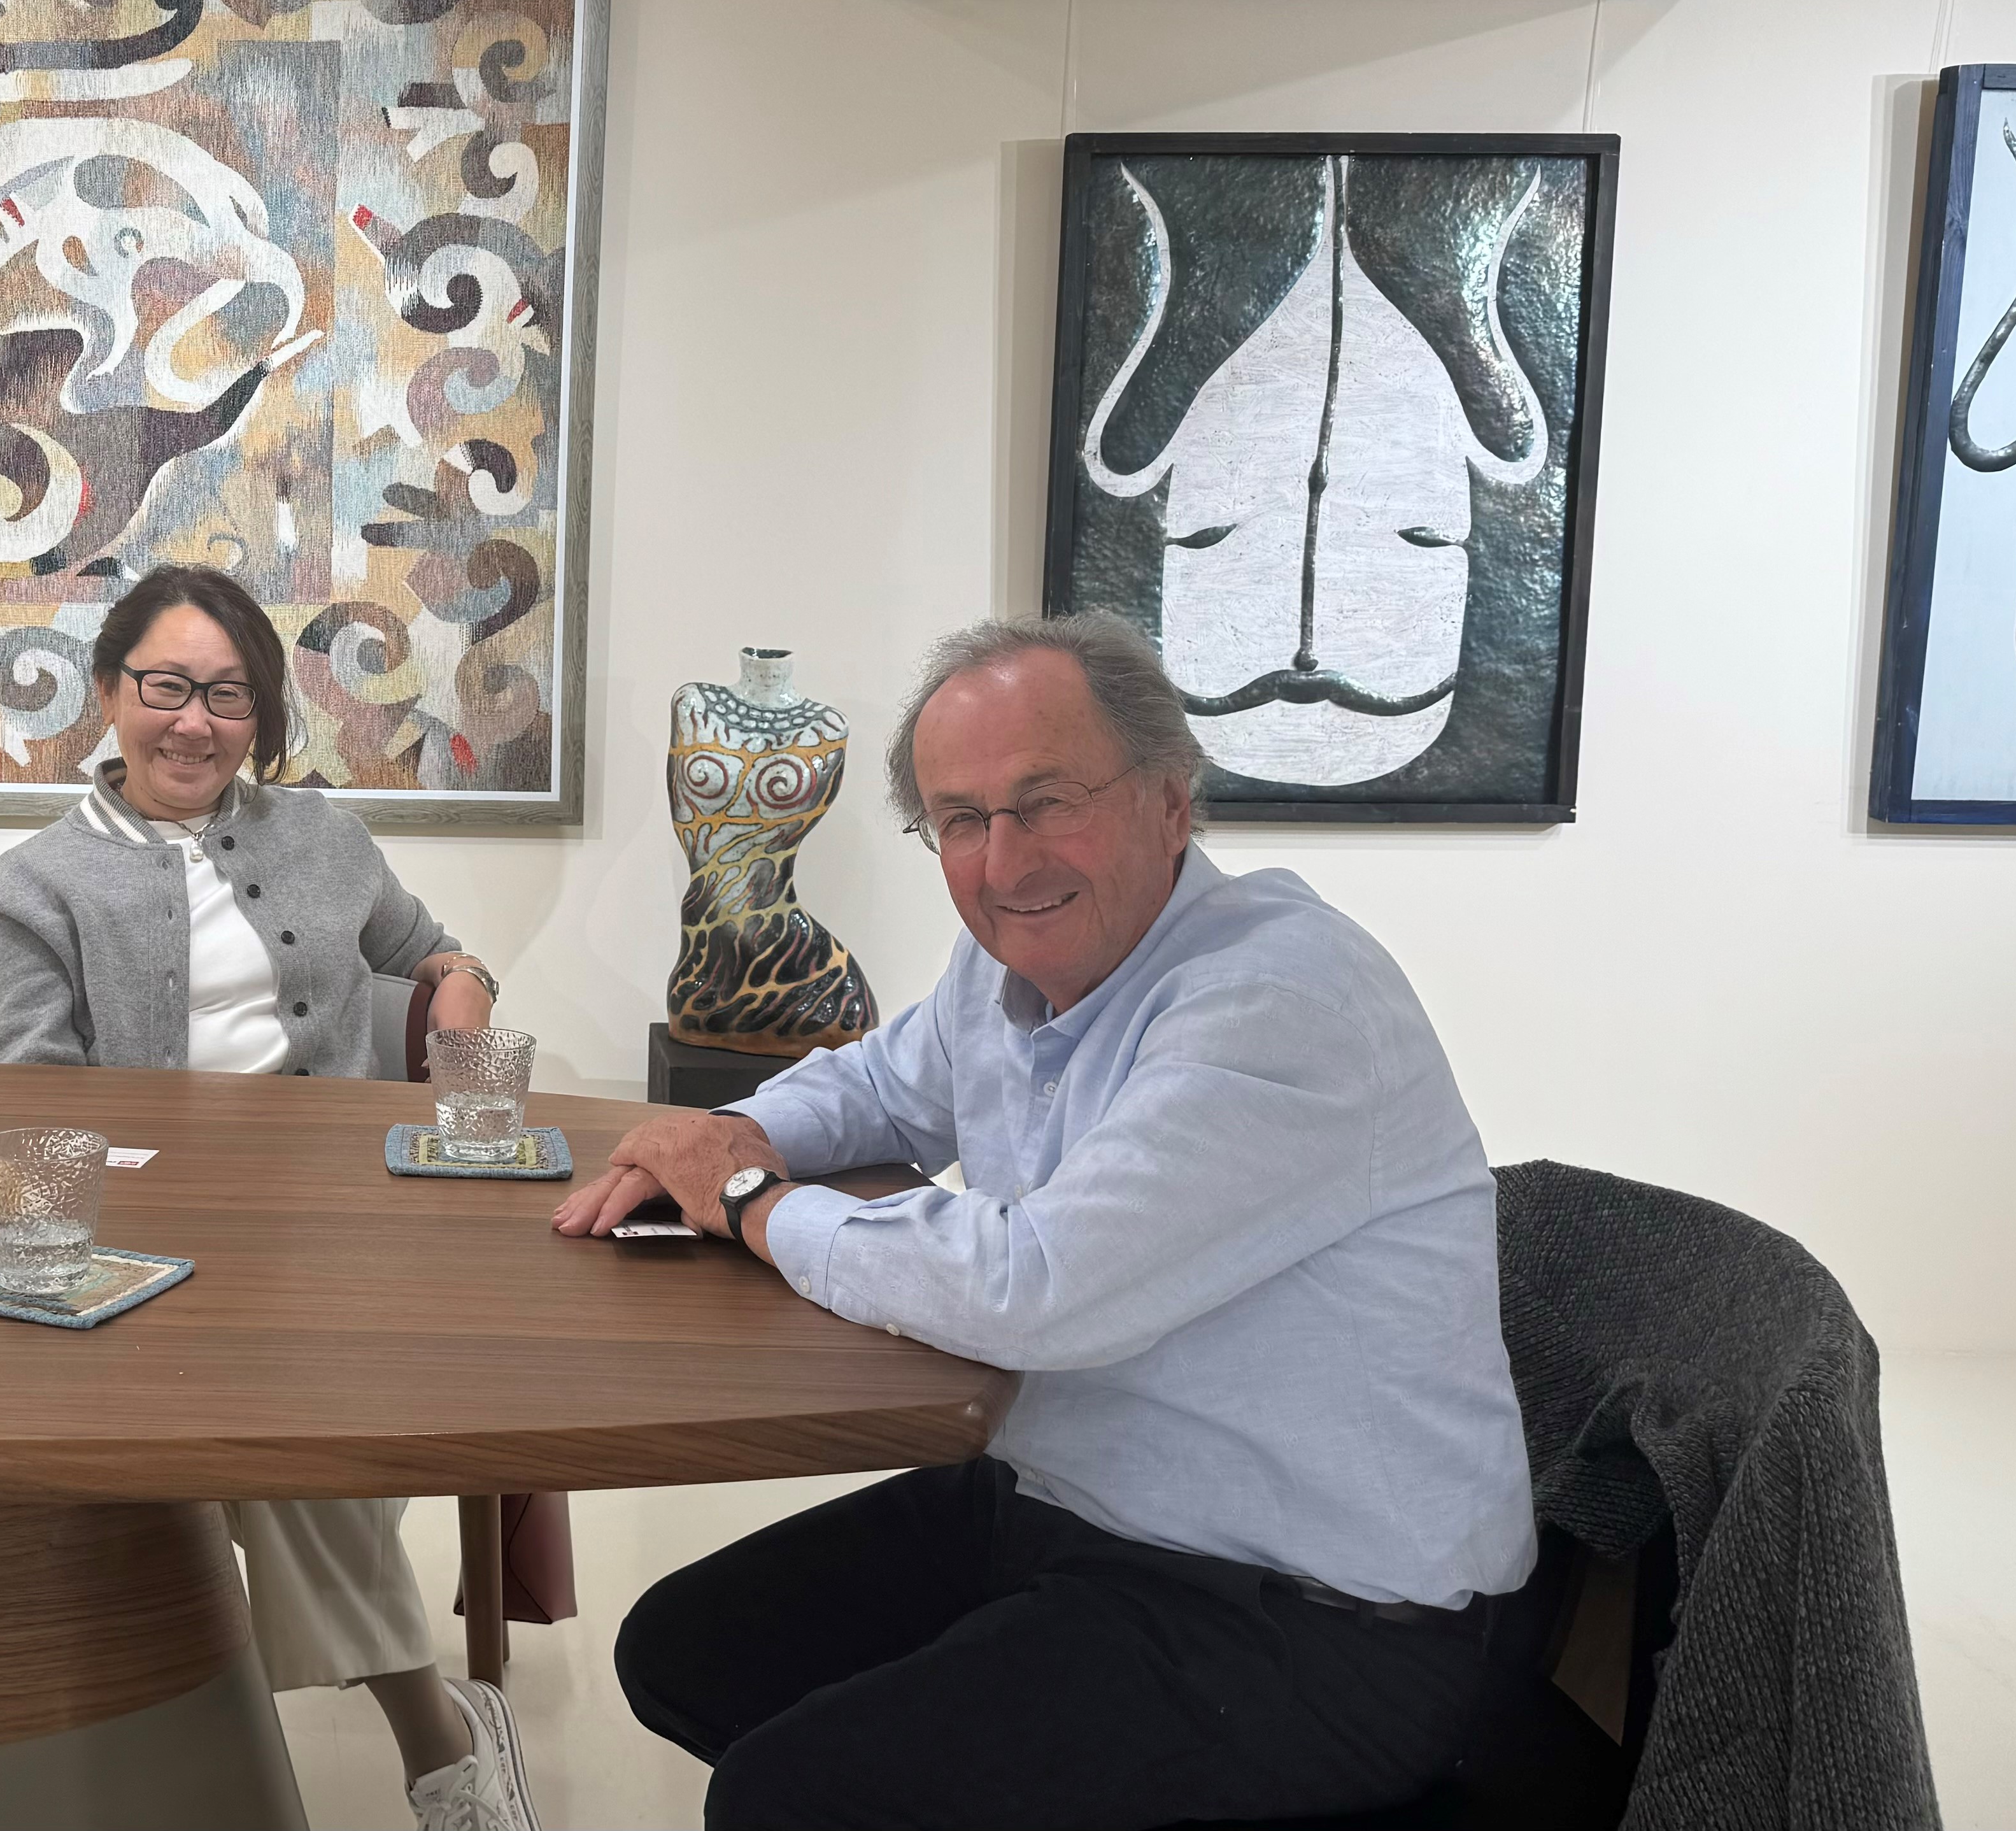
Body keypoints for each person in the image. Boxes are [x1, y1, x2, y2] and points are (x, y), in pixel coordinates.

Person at [555, 611, 1536, 1831]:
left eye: (1045, 800)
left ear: (1172, 801)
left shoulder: (1280, 996)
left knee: (787, 1800)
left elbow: (1036, 1287)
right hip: (1079, 1506)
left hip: (1314, 1614)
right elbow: (875, 1089)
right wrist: (724, 1137)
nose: (1004, 859)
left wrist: (749, 1199)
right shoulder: (1014, 961)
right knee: (685, 1648)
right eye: (960, 820)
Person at [0, 562, 529, 1831]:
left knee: (283, 1406)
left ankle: (222, 1747)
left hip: (338, 1232)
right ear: (109, 695)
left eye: (228, 694)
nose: (195, 721)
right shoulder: (36, 884)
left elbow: (434, 951)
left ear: (261, 715)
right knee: (262, 1430)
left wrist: (462, 995)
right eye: (166, 686)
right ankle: (434, 1735)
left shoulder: (323, 836)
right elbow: (36, 1116)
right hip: (138, 1244)